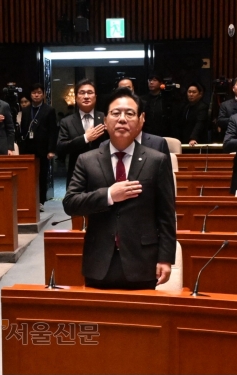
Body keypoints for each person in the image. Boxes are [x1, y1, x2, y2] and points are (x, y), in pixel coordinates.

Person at [63, 87, 176, 290]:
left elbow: (166, 215)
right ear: (105, 121)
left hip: (143, 261)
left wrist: (165, 258)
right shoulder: (87, 160)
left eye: (130, 113)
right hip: (98, 261)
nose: (122, 119)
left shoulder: (156, 160)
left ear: (141, 120)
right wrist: (109, 195)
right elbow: (71, 204)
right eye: (115, 113)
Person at [57, 79, 107, 175]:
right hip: (76, 171)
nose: (86, 96)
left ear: (95, 97)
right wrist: (85, 138)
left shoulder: (105, 119)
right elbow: (61, 148)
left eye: (90, 93)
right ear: (76, 97)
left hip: (102, 171)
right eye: (82, 93)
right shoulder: (66, 121)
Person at [19, 83, 58, 204]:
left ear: (43, 95)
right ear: (30, 95)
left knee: (42, 176)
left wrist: (51, 150)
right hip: (28, 148)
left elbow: (53, 131)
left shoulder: (49, 110)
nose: (36, 95)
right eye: (34, 93)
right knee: (29, 175)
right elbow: (23, 130)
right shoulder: (25, 110)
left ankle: (41, 201)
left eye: (39, 93)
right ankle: (30, 200)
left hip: (43, 149)